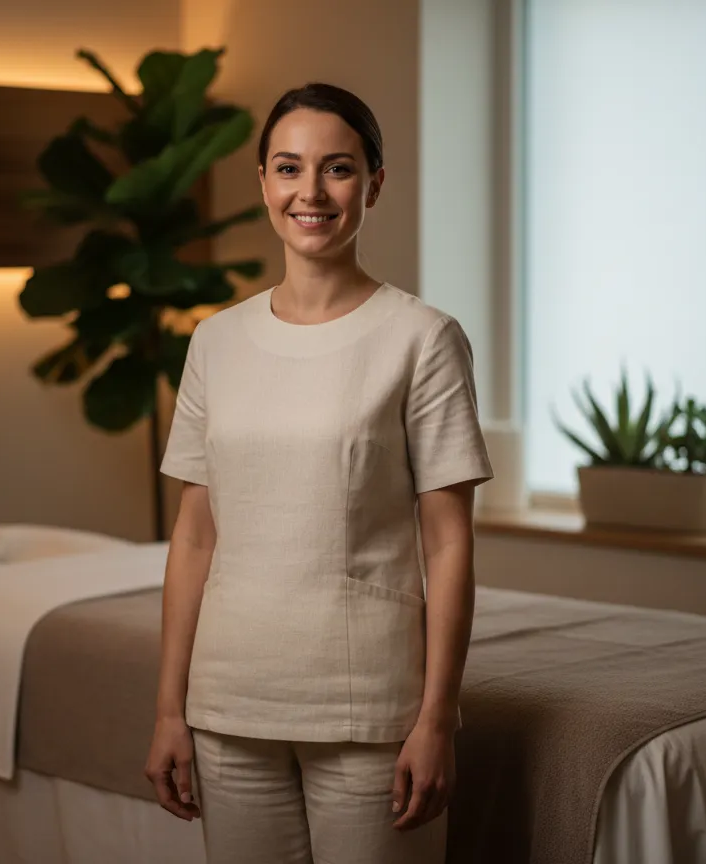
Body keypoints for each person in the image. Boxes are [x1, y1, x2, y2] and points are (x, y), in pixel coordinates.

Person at [145, 81, 493, 864]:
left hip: (369, 711)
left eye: (337, 169)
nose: (311, 191)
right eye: (288, 167)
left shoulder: (422, 338)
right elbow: (195, 537)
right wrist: (170, 709)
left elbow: (448, 544)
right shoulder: (216, 342)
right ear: (264, 182)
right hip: (229, 705)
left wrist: (436, 718)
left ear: (374, 183)